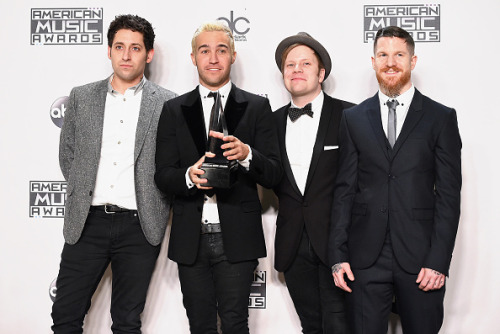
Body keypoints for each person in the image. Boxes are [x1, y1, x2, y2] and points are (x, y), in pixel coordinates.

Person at [329, 26, 461, 334]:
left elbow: (449, 196)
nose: (391, 63)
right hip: (364, 260)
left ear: (413, 61)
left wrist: (438, 261)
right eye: (383, 55)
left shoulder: (441, 118)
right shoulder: (353, 119)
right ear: (373, 62)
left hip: (421, 259)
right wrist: (338, 256)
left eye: (399, 55)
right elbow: (344, 191)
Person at [51, 14, 177, 333]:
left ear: (148, 54)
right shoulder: (81, 96)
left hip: (139, 226)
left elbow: (171, 165)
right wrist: (82, 190)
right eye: (119, 46)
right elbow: (69, 155)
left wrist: (156, 204)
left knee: (126, 322)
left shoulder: (167, 103)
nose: (126, 54)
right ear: (109, 50)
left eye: (135, 48)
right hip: (87, 222)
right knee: (65, 316)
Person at [154, 21, 281, 334]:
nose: (213, 58)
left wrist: (247, 154)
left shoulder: (256, 106)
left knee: (236, 324)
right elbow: (162, 175)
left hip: (237, 237)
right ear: (193, 58)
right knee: (200, 326)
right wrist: (188, 176)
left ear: (233, 56)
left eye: (221, 50)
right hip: (190, 238)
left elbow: (275, 172)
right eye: (205, 50)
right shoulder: (173, 109)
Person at [273, 32, 352, 334]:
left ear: (320, 74)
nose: (296, 69)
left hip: (339, 244)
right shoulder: (271, 121)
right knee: (310, 326)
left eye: (305, 63)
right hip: (293, 243)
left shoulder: (351, 115)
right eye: (290, 64)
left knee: (339, 326)